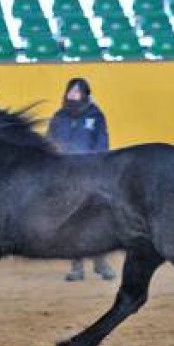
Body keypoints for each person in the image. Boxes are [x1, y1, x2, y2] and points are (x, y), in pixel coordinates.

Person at [47, 77, 116, 282]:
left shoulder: (96, 116)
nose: (73, 94)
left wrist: (96, 165)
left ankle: (101, 263)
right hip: (66, 174)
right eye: (70, 91)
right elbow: (50, 140)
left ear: (85, 94)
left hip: (91, 173)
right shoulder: (59, 116)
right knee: (71, 221)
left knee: (96, 219)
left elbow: (102, 142)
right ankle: (76, 267)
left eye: (77, 91)